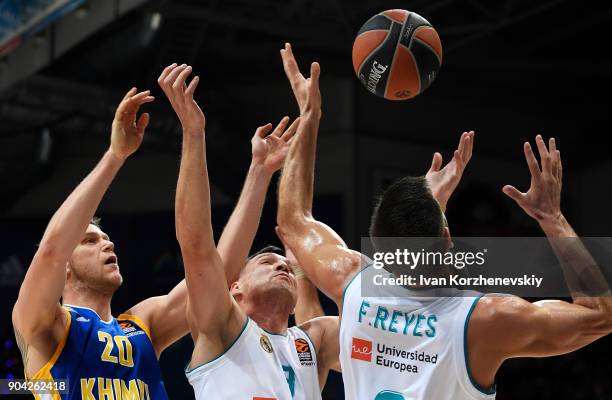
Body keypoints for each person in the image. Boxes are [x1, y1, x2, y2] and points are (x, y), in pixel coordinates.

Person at [276, 42, 612, 400]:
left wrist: (310, 114)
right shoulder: (486, 320)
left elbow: (293, 219)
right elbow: (599, 314)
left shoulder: (350, 280)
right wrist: (552, 217)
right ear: (448, 239)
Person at [157, 63, 340, 399]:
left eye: (283, 264)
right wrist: (193, 133)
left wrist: (311, 115)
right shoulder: (220, 327)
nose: (280, 264)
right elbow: (196, 244)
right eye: (266, 262)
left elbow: (370, 319)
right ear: (234, 288)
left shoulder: (313, 343)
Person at [11, 88, 184, 399]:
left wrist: (198, 137)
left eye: (107, 240)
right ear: (63, 268)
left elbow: (215, 270)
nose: (108, 246)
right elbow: (51, 250)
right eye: (90, 241)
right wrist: (115, 156)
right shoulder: (48, 325)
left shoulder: (143, 325)